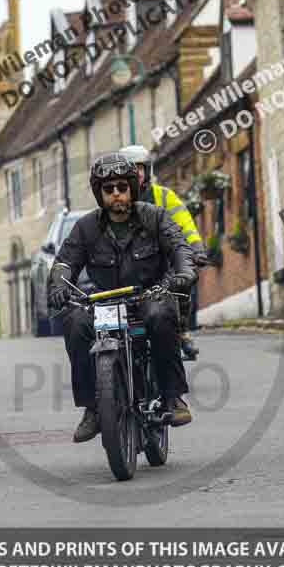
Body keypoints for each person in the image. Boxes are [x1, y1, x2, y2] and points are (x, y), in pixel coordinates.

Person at [49, 152, 197, 443]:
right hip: (106, 302)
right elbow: (65, 261)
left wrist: (184, 271)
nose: (116, 193)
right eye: (108, 189)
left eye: (121, 187)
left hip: (151, 295)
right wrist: (58, 285)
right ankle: (92, 409)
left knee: (160, 315)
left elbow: (179, 246)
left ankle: (173, 397)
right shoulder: (86, 228)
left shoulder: (155, 217)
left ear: (132, 188)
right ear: (100, 194)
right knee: (75, 322)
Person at [119, 145, 208, 359]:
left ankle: (182, 331)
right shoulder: (114, 198)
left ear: (147, 170)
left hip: (161, 261)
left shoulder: (163, 196)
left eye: (139, 168)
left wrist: (196, 248)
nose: (136, 173)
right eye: (130, 169)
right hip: (128, 265)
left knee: (182, 279)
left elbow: (184, 223)